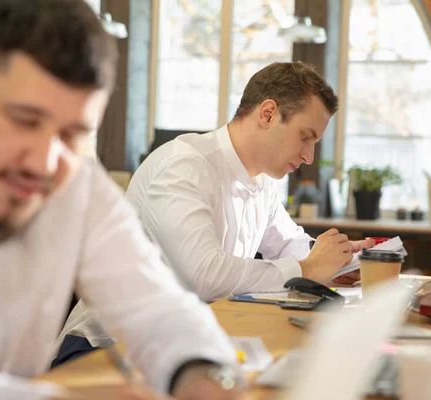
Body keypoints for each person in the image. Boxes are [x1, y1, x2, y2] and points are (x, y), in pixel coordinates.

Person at [0, 0, 245, 399]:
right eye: (23, 121)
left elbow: (159, 308)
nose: (44, 163)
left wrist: (205, 376)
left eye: (72, 134)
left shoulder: (77, 185)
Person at [126, 62, 373, 302]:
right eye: (305, 137)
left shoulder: (262, 182)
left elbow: (287, 243)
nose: (309, 157)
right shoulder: (184, 166)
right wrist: (308, 270)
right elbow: (204, 276)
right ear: (268, 114)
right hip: (112, 340)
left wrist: (338, 264)